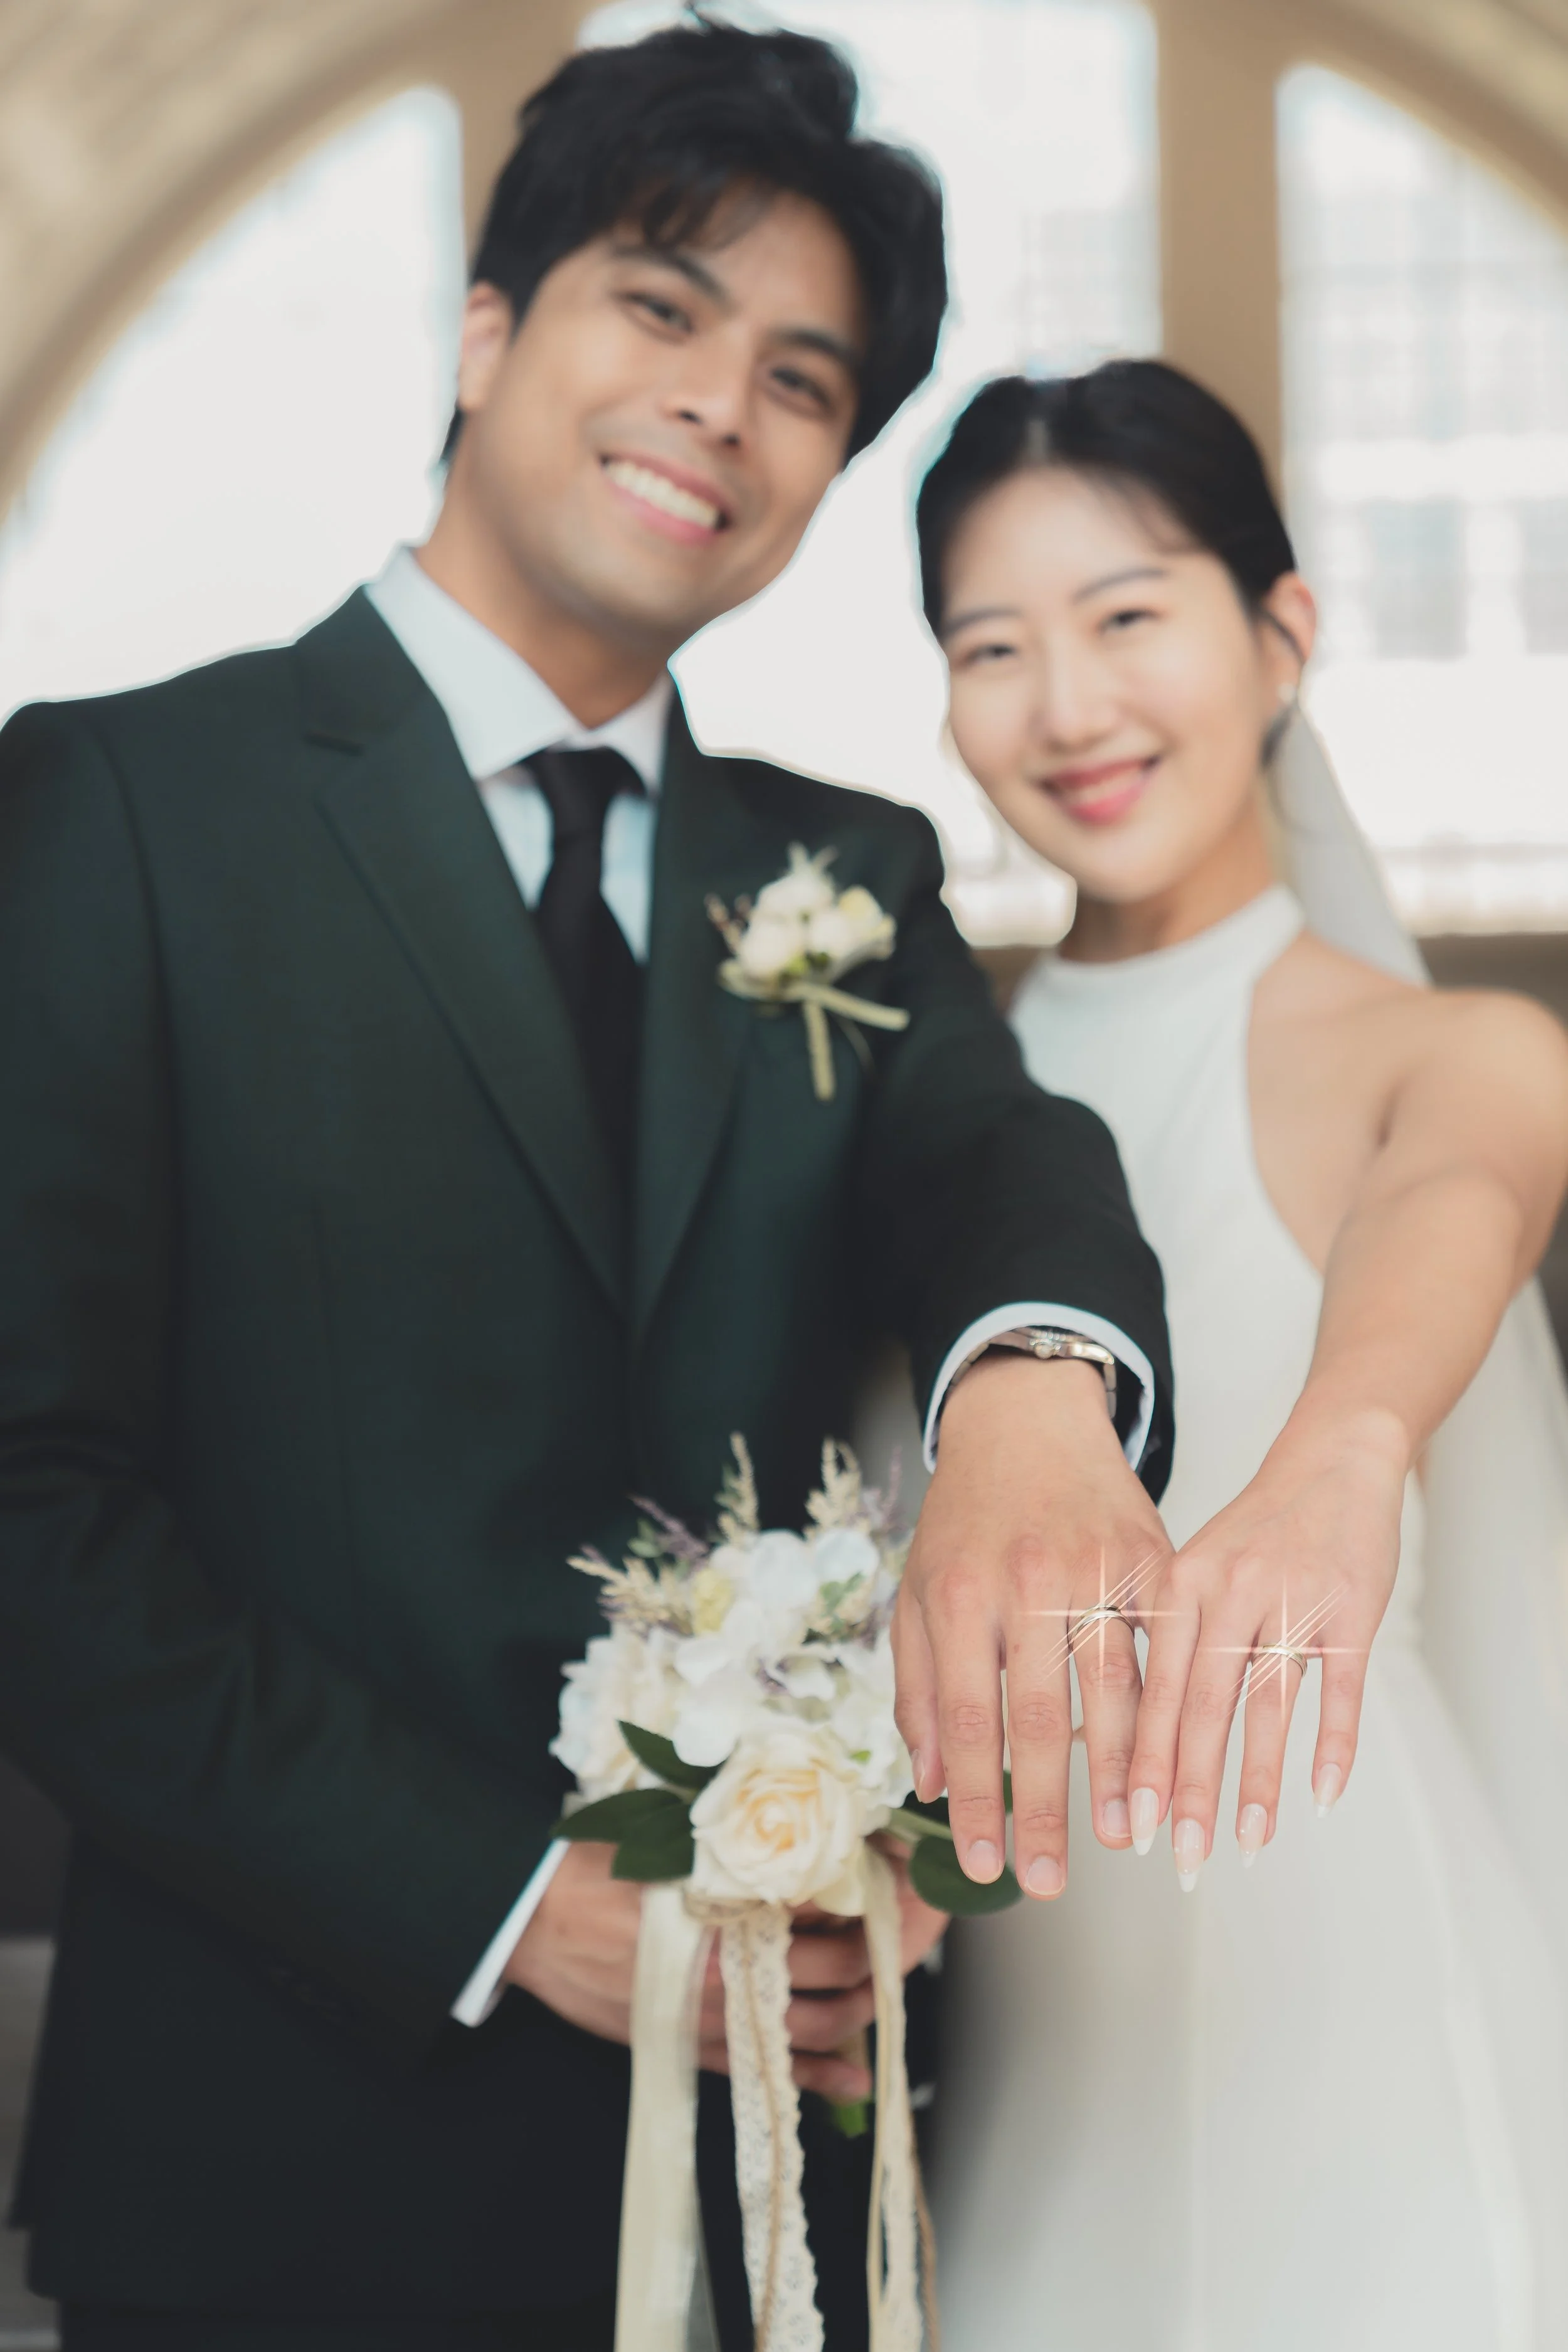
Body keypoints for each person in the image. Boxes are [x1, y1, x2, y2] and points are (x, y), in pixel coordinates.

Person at [0, 28, 1177, 2352]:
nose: (720, 405)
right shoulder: (120, 808)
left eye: (803, 376)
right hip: (284, 2161)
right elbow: (28, 1500)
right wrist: (505, 1896)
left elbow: (991, 1157)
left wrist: (1036, 1388)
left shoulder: (843, 869)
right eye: (660, 304)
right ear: (485, 328)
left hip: (783, 2184)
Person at [914, 359, 1568, 2347]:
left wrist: (1343, 1443)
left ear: (1278, 633)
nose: (1068, 707)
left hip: (1323, 1977)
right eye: (990, 645)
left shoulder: (1442, 1053)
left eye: (1127, 617)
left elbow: (1442, 1208)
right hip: (1005, 2009)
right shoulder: (926, 1101)